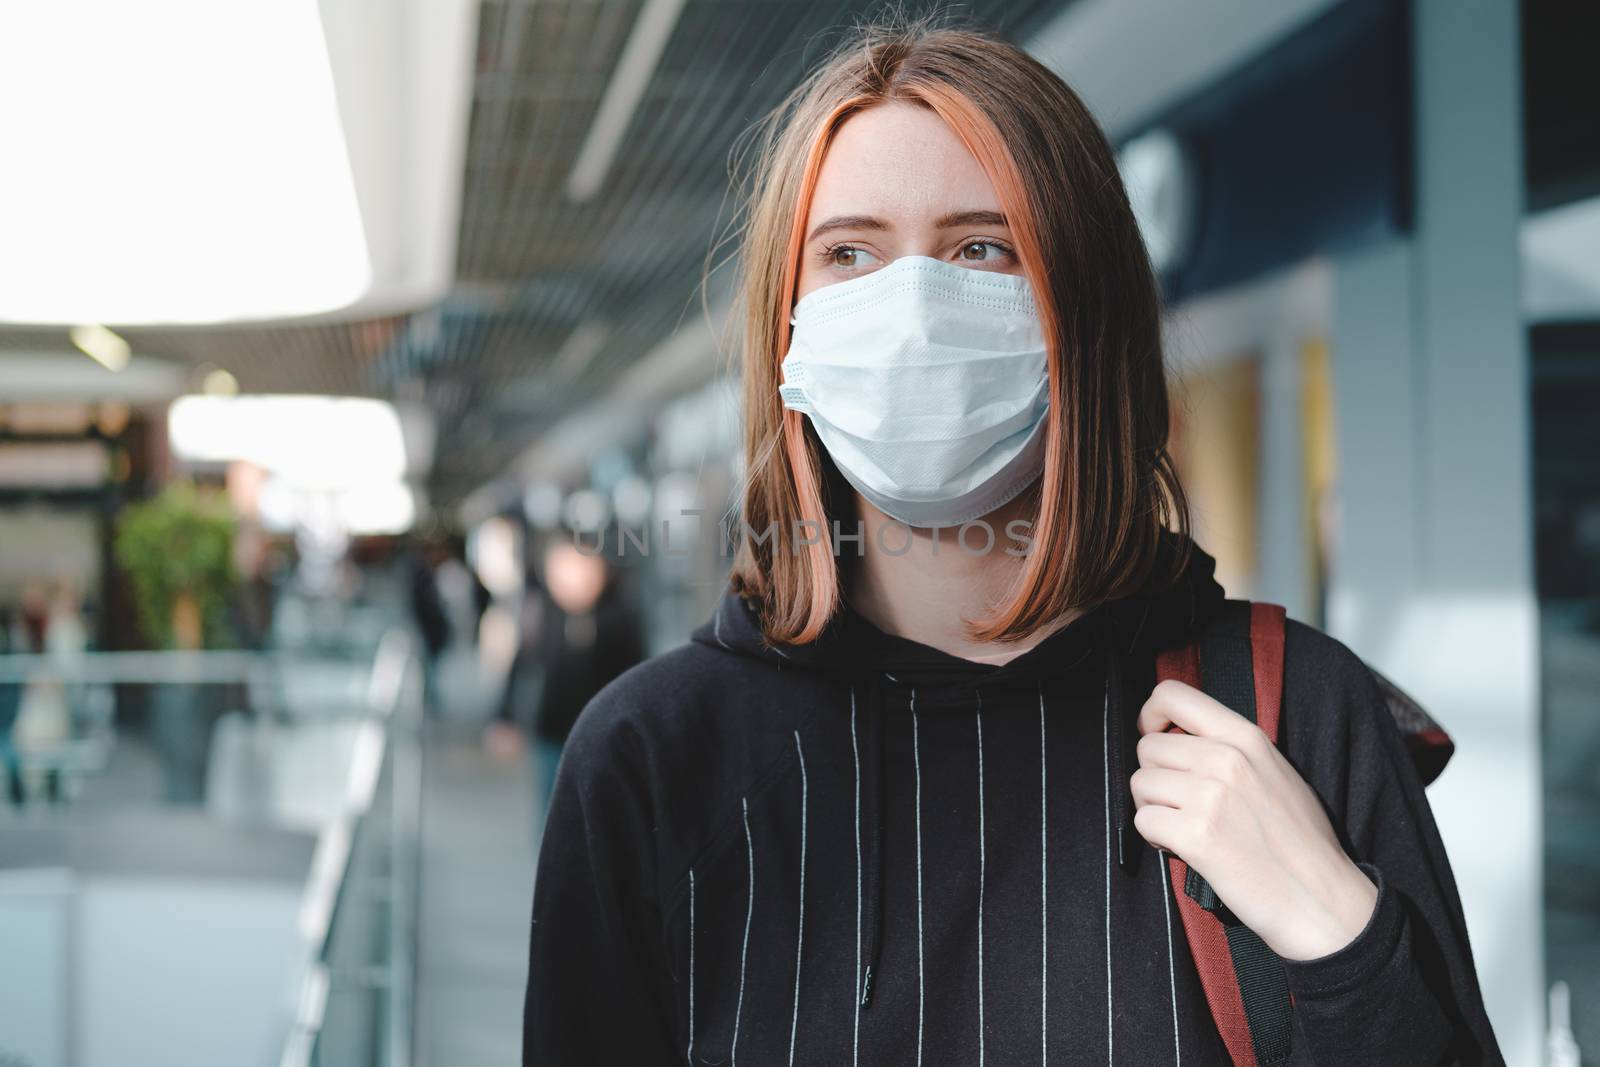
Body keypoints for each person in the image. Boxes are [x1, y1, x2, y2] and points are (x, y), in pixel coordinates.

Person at [522, 18, 1503, 1066]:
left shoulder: (1292, 719)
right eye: (847, 253)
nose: (909, 314)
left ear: (1086, 314)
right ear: (787, 334)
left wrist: (1342, 942)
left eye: (980, 248)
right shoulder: (656, 756)